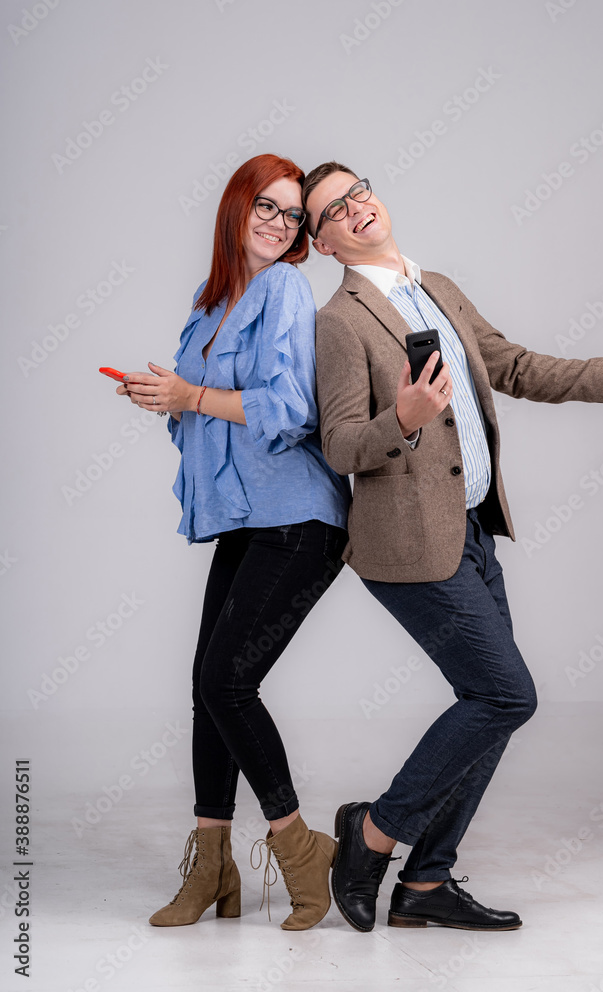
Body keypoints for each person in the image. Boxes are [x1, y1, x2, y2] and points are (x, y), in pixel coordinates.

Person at [302, 161, 603, 933]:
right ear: (322, 245)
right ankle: (371, 834)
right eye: (333, 212)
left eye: (358, 192)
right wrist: (404, 416)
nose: (355, 209)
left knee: (491, 705)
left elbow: (509, 365)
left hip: (474, 531)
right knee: (505, 695)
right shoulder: (339, 323)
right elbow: (342, 445)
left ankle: (425, 885)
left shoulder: (437, 286)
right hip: (408, 547)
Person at [116, 154, 351, 931]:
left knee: (225, 683)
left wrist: (194, 397)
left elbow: (287, 411)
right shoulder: (210, 300)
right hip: (246, 520)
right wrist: (169, 404)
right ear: (236, 206)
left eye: (292, 216)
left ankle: (299, 845)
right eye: (268, 207)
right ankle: (211, 863)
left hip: (299, 521)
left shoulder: (286, 287)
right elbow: (214, 426)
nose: (280, 225)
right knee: (205, 688)